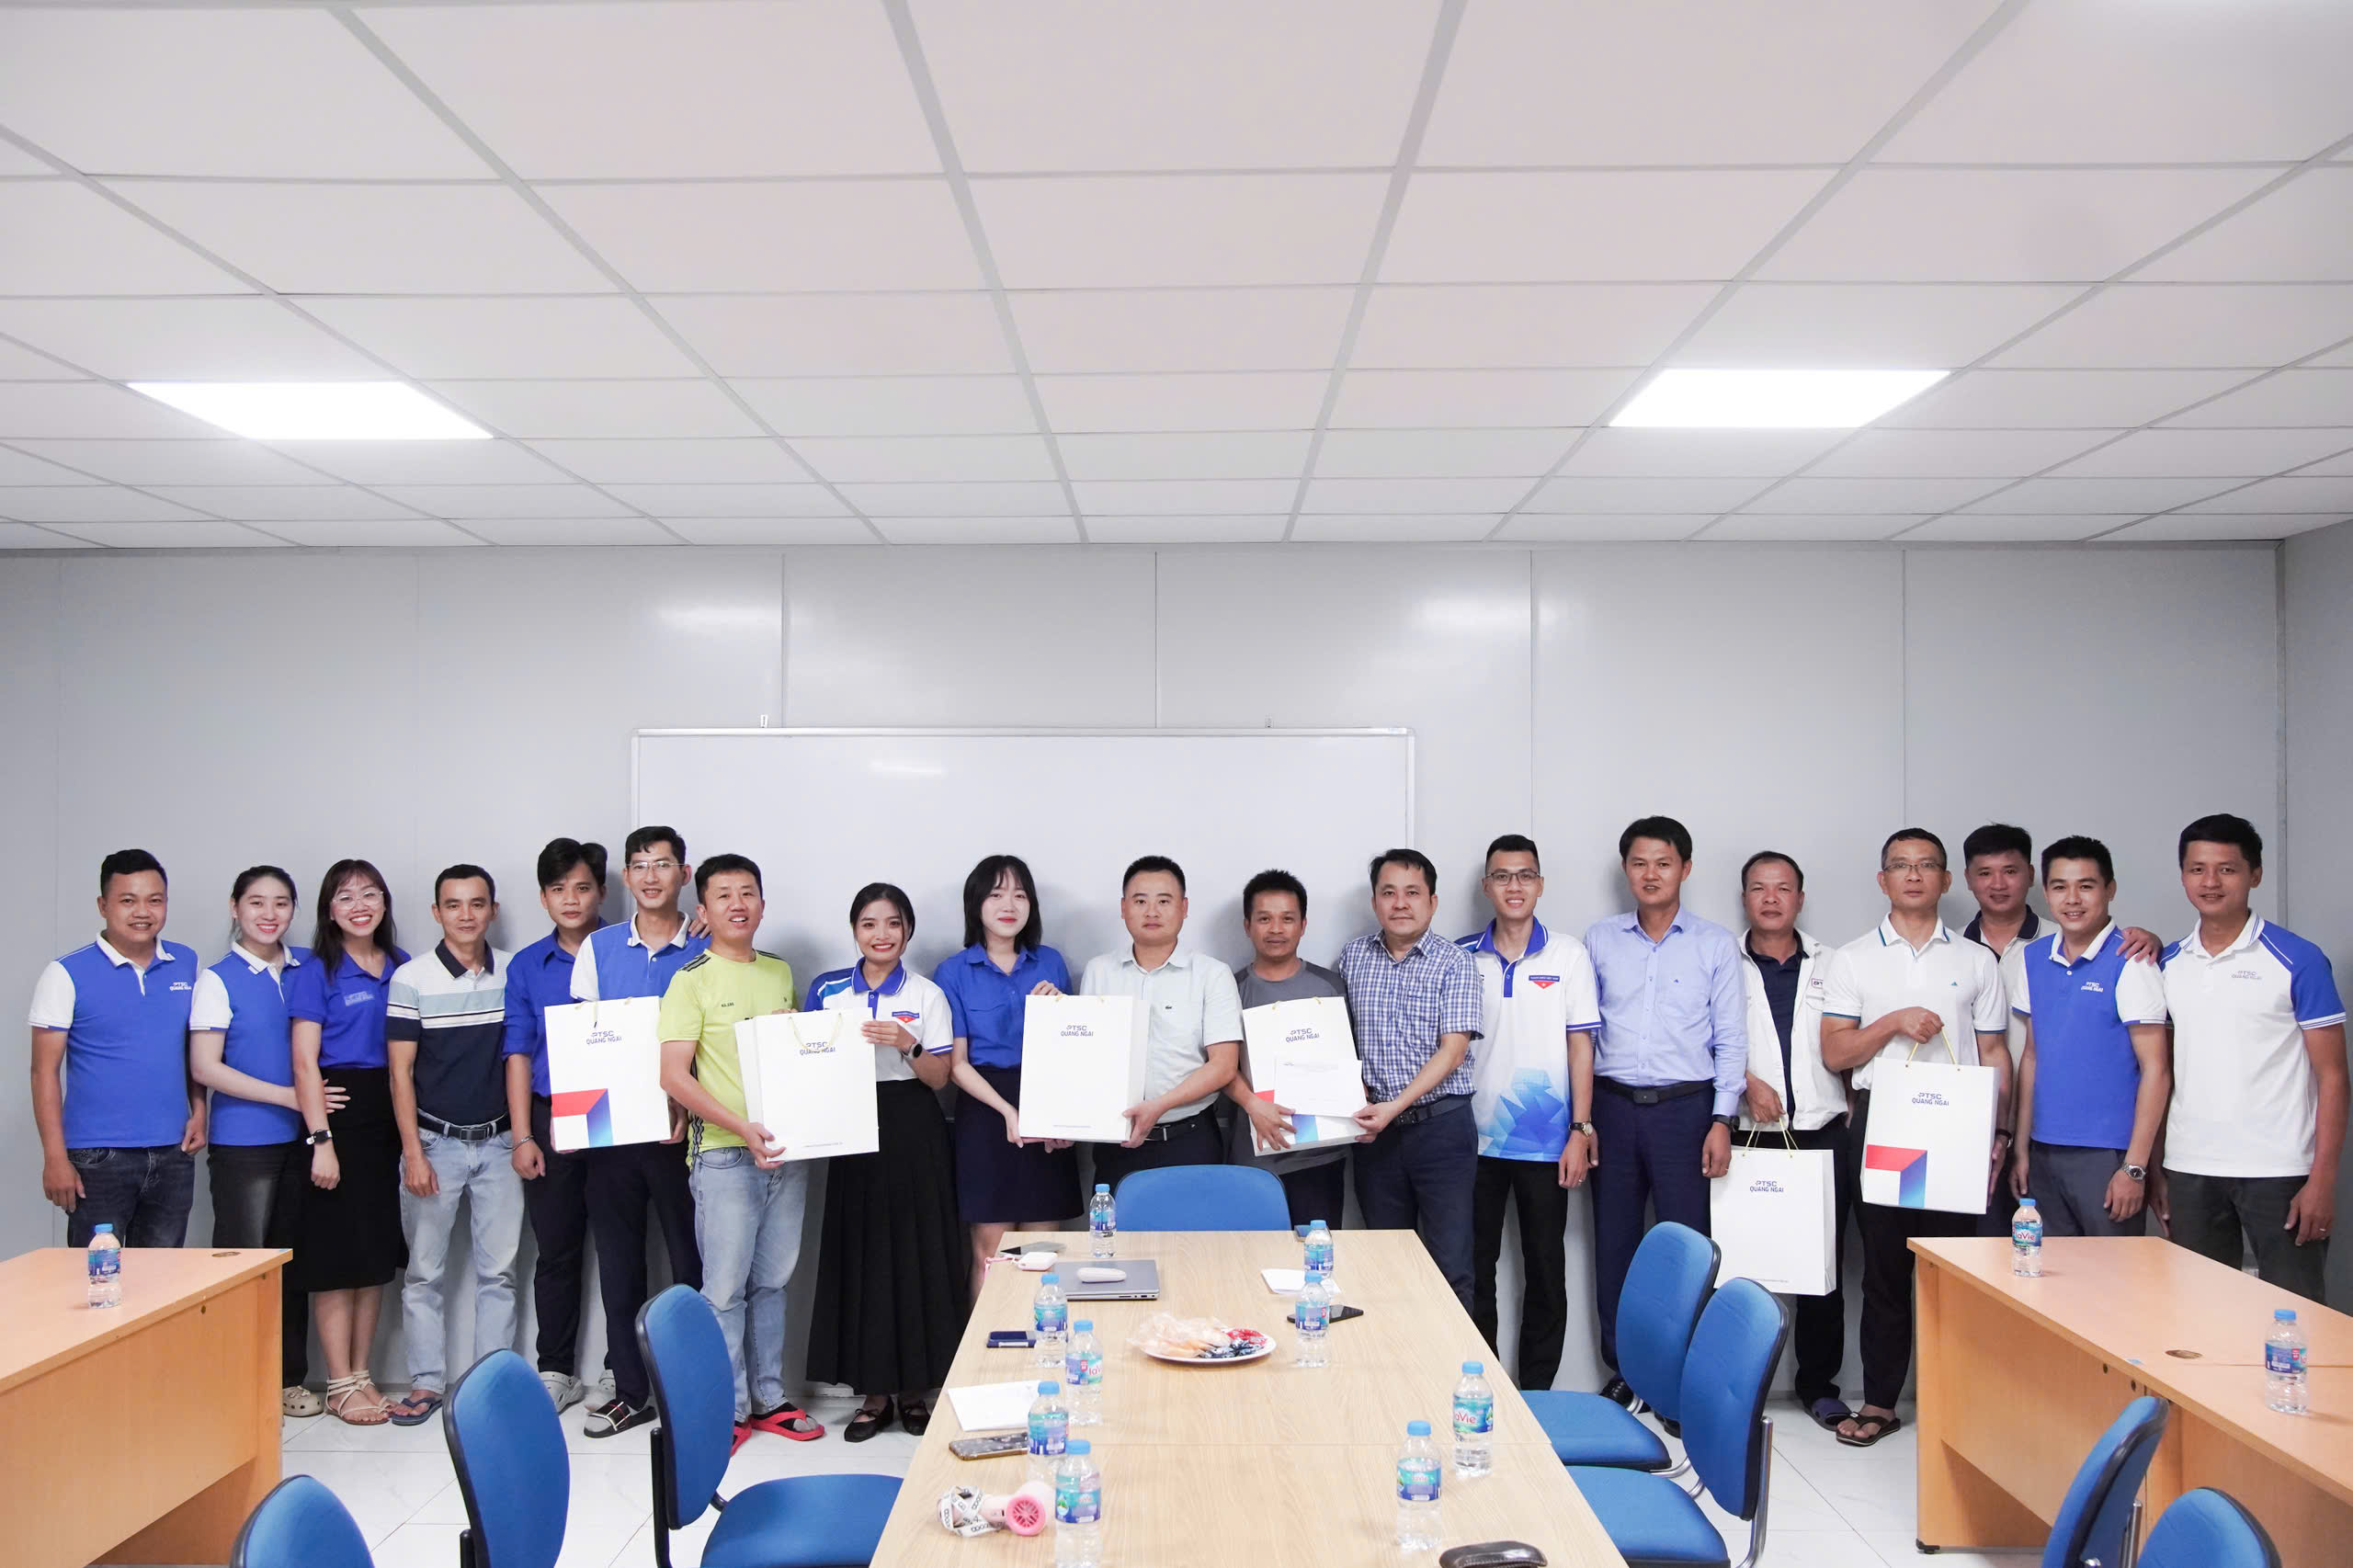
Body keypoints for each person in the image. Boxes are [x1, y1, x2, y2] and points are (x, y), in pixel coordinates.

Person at [1819, 829, 2009, 1449]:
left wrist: (1998, 1128)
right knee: (1885, 1270)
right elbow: (1836, 1052)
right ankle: (1880, 1402)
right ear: (1883, 880)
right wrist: (1893, 1022)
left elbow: (1994, 1052)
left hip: (1958, 1124)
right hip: (1887, 1124)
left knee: (1955, 1271)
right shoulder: (1852, 959)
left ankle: (1959, 1403)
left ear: (1946, 881)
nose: (1914, 875)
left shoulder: (1976, 960)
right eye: (1900, 866)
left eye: (1927, 865)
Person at [655, 853, 823, 1444]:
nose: (737, 904)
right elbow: (673, 1076)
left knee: (773, 1282)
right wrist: (742, 1127)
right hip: (724, 1155)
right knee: (723, 1290)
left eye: (747, 892)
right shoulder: (690, 979)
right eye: (723, 895)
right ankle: (726, 1411)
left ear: (762, 904)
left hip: (785, 1154)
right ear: (703, 909)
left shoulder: (779, 972)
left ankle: (770, 1399)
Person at [1583, 816, 1745, 1402]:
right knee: (1616, 1248)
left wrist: (1722, 1119)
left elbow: (1731, 1038)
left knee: (1688, 1250)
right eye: (1639, 863)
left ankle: (1681, 1384)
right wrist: (1583, 1120)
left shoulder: (1714, 944)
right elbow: (1581, 1035)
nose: (1651, 874)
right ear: (1626, 869)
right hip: (1613, 1109)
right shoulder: (1599, 940)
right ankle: (1625, 1373)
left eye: (1664, 863)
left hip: (1686, 1112)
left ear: (1685, 868)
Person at [2158, 814, 2345, 1301]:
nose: (2210, 882)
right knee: (2199, 1313)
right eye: (2197, 869)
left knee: (2294, 1314)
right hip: (2191, 1167)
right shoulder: (2166, 963)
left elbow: (2333, 1077)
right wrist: (2157, 1166)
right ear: (2183, 876)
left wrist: (2322, 1181)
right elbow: (2159, 1073)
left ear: (2255, 875)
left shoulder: (2299, 959)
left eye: (2227, 869)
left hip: (2280, 1170)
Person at [804, 883, 966, 1443]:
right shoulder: (827, 989)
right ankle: (873, 1396)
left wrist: (907, 1042)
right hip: (850, 1126)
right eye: (869, 924)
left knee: (917, 1253)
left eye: (893, 923)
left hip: (912, 1124)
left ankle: (916, 1392)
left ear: (908, 931)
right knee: (864, 1254)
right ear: (854, 930)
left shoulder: (927, 994)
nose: (881, 934)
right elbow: (805, 1064)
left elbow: (940, 1078)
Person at [569, 826, 708, 1437]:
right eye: (640, 866)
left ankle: (695, 1395)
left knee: (692, 1268)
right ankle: (630, 1391)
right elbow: (586, 1044)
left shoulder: (706, 945)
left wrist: (687, 1105)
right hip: (613, 1135)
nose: (651, 876)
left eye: (663, 864)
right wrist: (583, 1118)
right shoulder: (597, 948)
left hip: (687, 1135)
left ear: (684, 874)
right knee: (619, 1267)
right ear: (626, 877)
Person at [1459, 834, 1598, 1395]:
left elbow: (1581, 1046)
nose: (1513, 886)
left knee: (1545, 1267)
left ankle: (1538, 1391)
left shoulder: (1568, 955)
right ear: (1485, 886)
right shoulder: (1460, 955)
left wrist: (1580, 1130)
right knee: (1474, 1268)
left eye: (1525, 875)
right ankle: (1484, 1382)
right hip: (1471, 1140)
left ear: (1540, 884)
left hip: (1546, 1140)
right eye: (1502, 876)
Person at [383, 866, 519, 1427]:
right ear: (437, 913)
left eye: (477, 904)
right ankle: (426, 1383)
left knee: (500, 1274)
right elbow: (399, 1072)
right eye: (454, 905)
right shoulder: (411, 979)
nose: (466, 915)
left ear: (492, 910)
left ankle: (493, 1382)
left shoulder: (514, 972)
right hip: (434, 1144)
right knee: (423, 1274)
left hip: (502, 1144)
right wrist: (413, 1153)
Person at [189, 865, 327, 1416]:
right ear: (235, 907)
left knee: (291, 1265)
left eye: (281, 903)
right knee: (242, 1265)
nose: (270, 915)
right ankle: (234, 1387)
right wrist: (292, 1096)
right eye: (256, 903)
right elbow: (206, 1067)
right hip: (244, 1145)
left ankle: (287, 1379)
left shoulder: (309, 967)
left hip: (304, 1141)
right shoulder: (217, 978)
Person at [1733, 850, 1855, 1433]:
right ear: (1745, 899)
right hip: (1749, 1135)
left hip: (1823, 1133)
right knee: (1744, 1268)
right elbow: (1700, 1037)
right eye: (1759, 888)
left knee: (1821, 1270)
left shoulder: (1837, 963)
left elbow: (1853, 1040)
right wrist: (1744, 1082)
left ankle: (1818, 1386)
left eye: (1783, 888)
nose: (1771, 898)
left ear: (1800, 899)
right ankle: (1738, 1386)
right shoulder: (1722, 961)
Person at [287, 858, 411, 1426]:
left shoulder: (402, 965)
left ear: (384, 902)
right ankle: (338, 1382)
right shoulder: (318, 970)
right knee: (336, 1256)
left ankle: (362, 1375)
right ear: (328, 910)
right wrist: (321, 1140)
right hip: (337, 1117)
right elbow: (303, 1063)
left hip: (390, 1116)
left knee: (374, 1254)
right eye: (345, 897)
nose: (359, 906)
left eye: (369, 894)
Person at [29, 848, 203, 1251]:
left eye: (154, 900)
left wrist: (200, 1109)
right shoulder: (65, 973)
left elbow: (192, 1048)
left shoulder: (185, 963)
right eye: (128, 900)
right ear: (103, 905)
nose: (142, 912)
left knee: (165, 1279)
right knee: (96, 1278)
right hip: (98, 1157)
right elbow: (43, 1072)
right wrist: (55, 1157)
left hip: (173, 1151)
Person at [1337, 848, 1483, 1310]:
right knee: (1385, 1265)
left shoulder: (1456, 962)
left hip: (1442, 1131)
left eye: (1413, 893)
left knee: (1450, 1266)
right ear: (1375, 901)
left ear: (1433, 902)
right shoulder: (1353, 957)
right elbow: (1341, 1039)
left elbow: (1453, 1051)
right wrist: (1357, 1094)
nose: (1400, 903)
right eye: (1389, 893)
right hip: (1374, 1137)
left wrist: (1393, 1107)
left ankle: (1453, 1357)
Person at [2006, 836, 2170, 1239]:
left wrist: (2135, 1167)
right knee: (2050, 1273)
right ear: (2046, 893)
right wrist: (2022, 1148)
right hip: (2044, 1150)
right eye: (2060, 886)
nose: (2072, 899)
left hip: (2108, 1155)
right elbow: (2032, 1056)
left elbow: (2156, 1070)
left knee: (2111, 1275)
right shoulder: (2033, 957)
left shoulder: (2132, 960)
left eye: (2086, 886)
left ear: (2109, 890)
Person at [500, 837, 609, 1417]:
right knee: (557, 1250)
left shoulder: (625, 950)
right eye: (558, 889)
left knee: (622, 1249)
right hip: (551, 1114)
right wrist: (523, 1134)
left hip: (619, 1113)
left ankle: (622, 1369)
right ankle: (556, 1370)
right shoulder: (526, 966)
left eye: (583, 887)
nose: (571, 899)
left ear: (601, 892)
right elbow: (517, 1051)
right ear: (543, 898)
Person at [938, 855, 1078, 1294]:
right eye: (996, 894)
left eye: (1020, 895)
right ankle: (987, 1342)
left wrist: (1064, 1119)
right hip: (985, 1109)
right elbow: (957, 1064)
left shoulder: (1051, 963)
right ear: (975, 903)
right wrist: (1008, 1112)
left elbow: (1074, 1049)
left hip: (1046, 1099)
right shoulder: (953, 971)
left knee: (1042, 1251)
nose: (1009, 905)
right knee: (991, 1255)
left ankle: (1043, 1335)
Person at [1080, 856, 1242, 1191]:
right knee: (1116, 1226)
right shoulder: (1099, 971)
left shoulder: (1212, 974)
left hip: (1190, 1140)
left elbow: (1224, 1066)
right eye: (1140, 901)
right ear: (1123, 908)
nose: (1151, 911)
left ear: (1184, 908)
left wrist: (1160, 1106)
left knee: (1194, 1227)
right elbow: (1086, 1055)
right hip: (1117, 1142)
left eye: (1164, 901)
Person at [1224, 869, 1352, 1228]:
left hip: (1320, 1155)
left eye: (1287, 919)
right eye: (1264, 919)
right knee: (1252, 1255)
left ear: (1303, 925)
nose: (1276, 929)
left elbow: (1350, 1062)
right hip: (1253, 1158)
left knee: (1316, 1253)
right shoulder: (1228, 989)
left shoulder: (1331, 987)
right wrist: (1254, 1104)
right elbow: (1219, 1066)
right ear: (1247, 925)